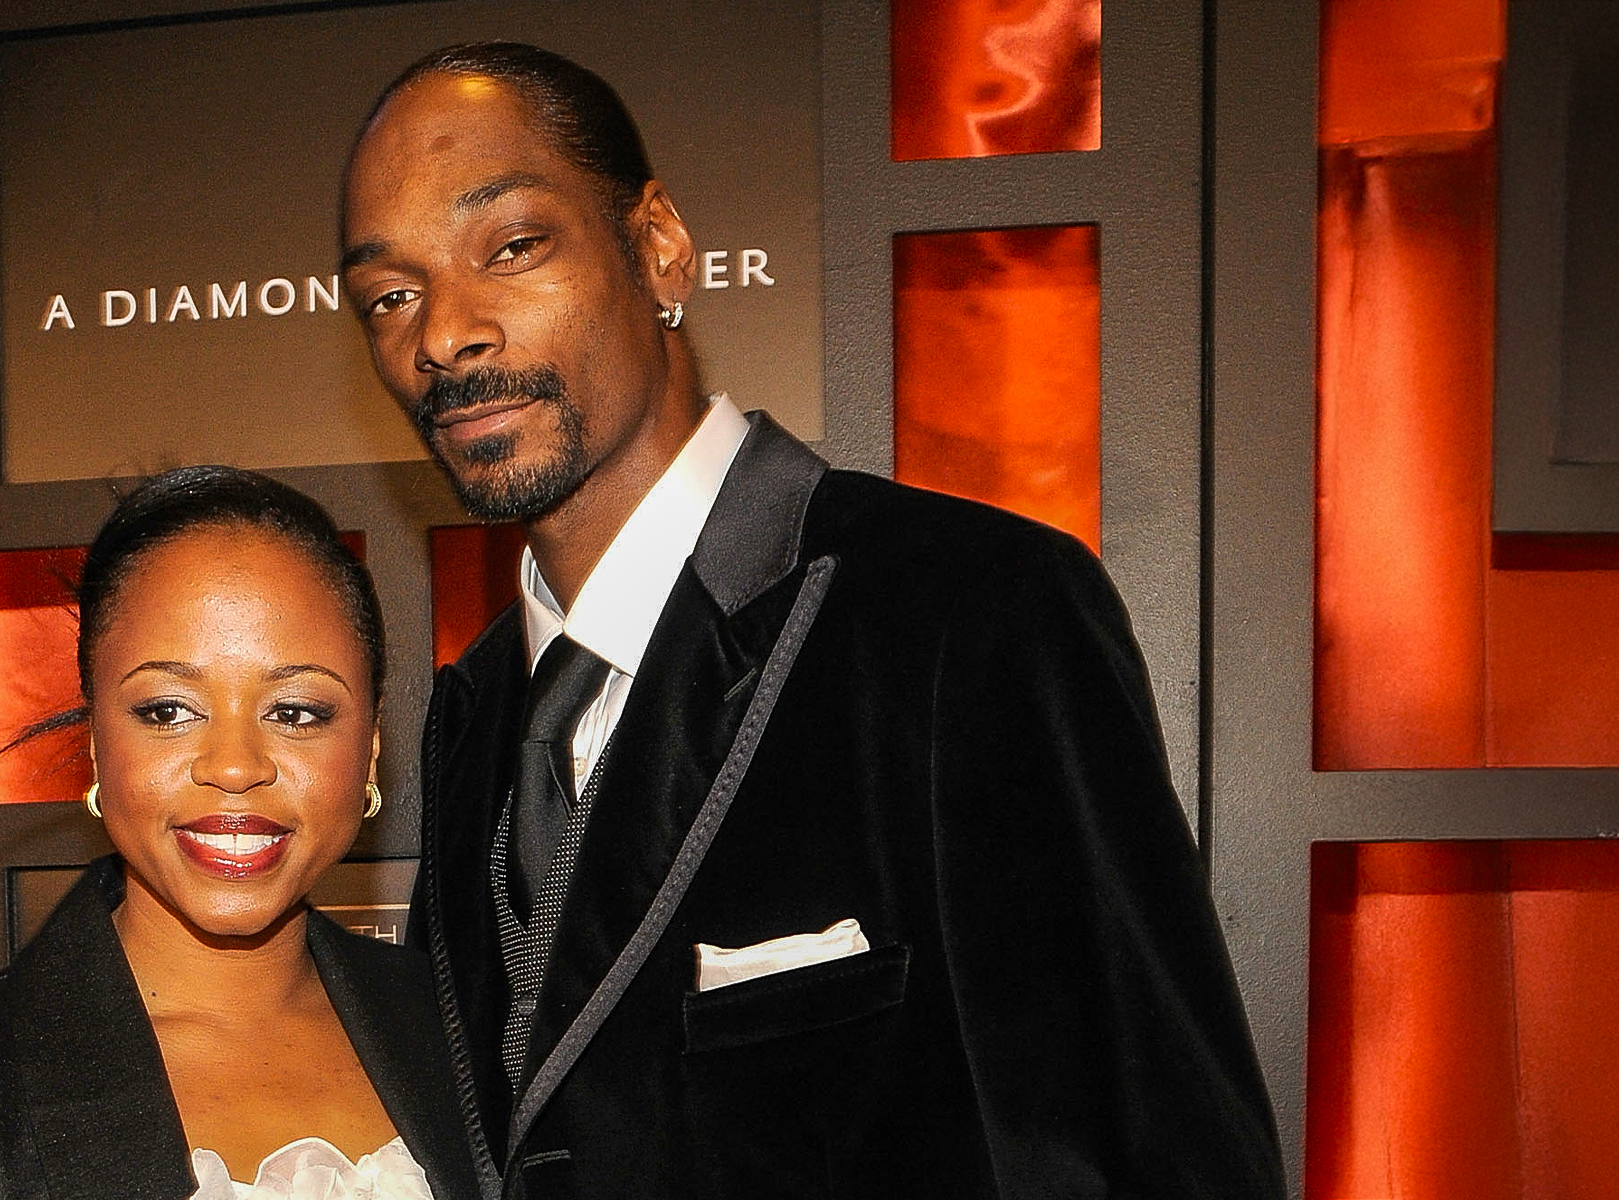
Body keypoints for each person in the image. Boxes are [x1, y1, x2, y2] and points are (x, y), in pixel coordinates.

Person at [338, 42, 1286, 1199]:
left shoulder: (969, 611)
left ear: (660, 247)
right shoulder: (474, 710)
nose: (445, 334)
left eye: (514, 247)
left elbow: (1165, 1151)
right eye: (391, 294)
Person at [0, 466, 477, 1200]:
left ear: (371, 742)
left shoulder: (474, 1033)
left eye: (296, 711)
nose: (235, 767)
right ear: (96, 738)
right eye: (167, 711)